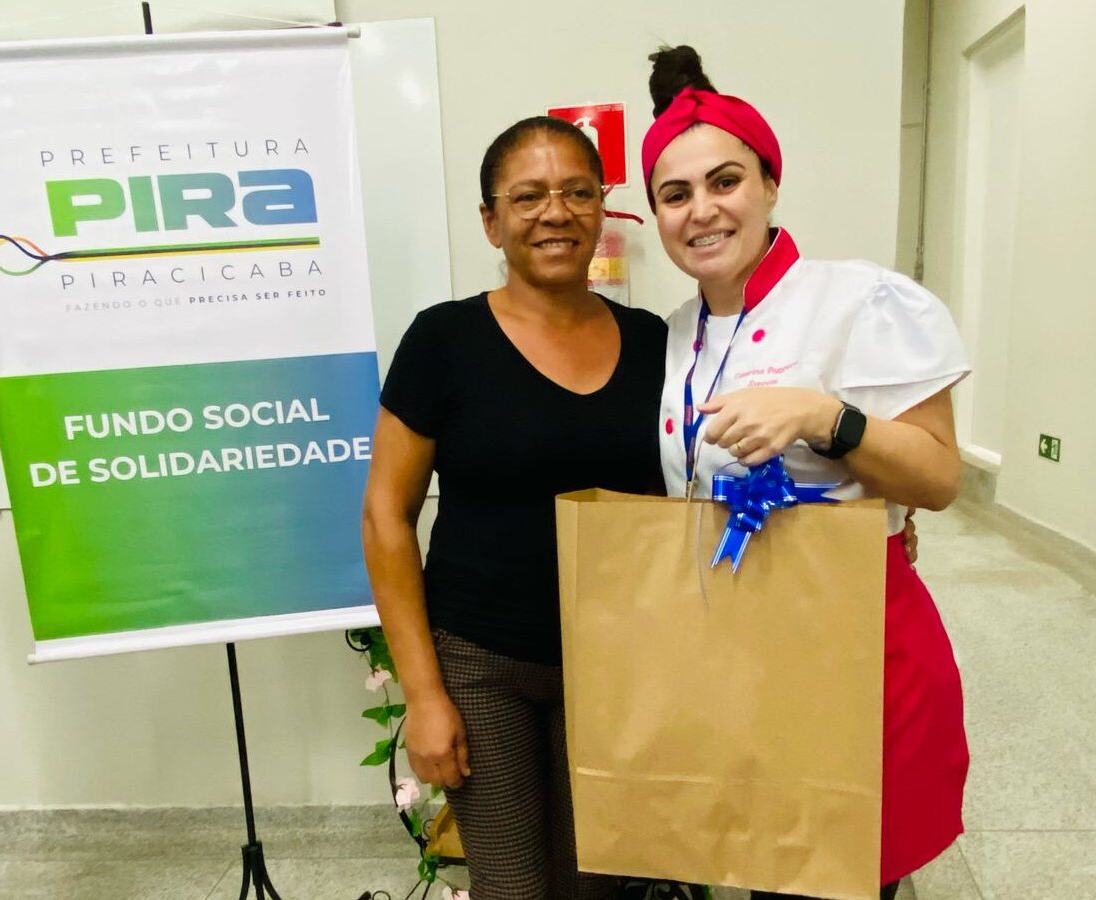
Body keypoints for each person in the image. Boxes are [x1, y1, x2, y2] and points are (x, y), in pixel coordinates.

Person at [641, 46, 971, 900]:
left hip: (852, 641)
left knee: (838, 876)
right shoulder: (675, 333)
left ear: (770, 185)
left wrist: (828, 418)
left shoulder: (860, 302)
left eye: (726, 181)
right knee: (760, 868)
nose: (702, 211)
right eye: (675, 195)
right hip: (735, 650)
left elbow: (938, 479)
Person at [361, 116, 670, 900]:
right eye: (527, 196)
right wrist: (423, 694)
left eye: (576, 191)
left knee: (595, 885)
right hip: (481, 662)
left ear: (603, 207)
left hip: (614, 664)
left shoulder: (654, 345)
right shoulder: (444, 340)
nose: (555, 212)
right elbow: (386, 516)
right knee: (513, 888)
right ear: (491, 221)